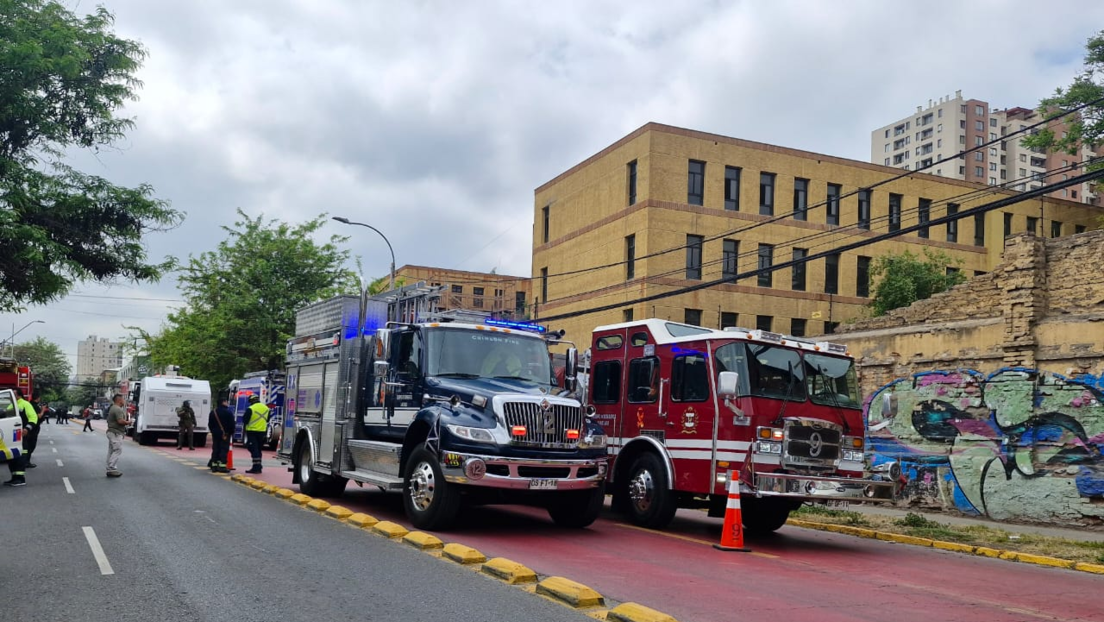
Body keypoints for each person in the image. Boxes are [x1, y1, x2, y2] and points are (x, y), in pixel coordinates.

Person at [3, 388, 38, 486]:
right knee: (12, 457)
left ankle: (20, 478)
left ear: (19, 395)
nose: (11, 397)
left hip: (21, 434)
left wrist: (27, 428)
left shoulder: (25, 404)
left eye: (13, 394)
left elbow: (33, 417)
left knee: (21, 456)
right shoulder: (11, 405)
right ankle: (14, 478)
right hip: (12, 434)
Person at [105, 393, 131, 477]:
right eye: (123, 399)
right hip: (115, 432)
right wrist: (128, 422)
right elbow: (120, 421)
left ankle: (110, 468)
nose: (124, 401)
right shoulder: (117, 409)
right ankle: (112, 468)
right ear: (119, 400)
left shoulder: (113, 408)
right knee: (117, 450)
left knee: (112, 450)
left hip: (112, 432)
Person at [243, 395, 269, 474]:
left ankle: (256, 467)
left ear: (251, 401)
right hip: (262, 432)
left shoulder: (250, 409)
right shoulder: (266, 408)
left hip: (252, 432)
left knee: (253, 448)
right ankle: (259, 466)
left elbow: (245, 420)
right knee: (258, 449)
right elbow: (267, 419)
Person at [208, 398, 235, 473]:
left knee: (215, 448)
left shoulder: (213, 412)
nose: (227, 403)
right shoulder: (228, 412)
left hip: (215, 433)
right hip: (225, 434)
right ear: (223, 402)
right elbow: (232, 424)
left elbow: (210, 424)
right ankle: (222, 466)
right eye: (226, 401)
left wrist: (213, 431)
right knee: (224, 449)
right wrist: (230, 432)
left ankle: (214, 465)